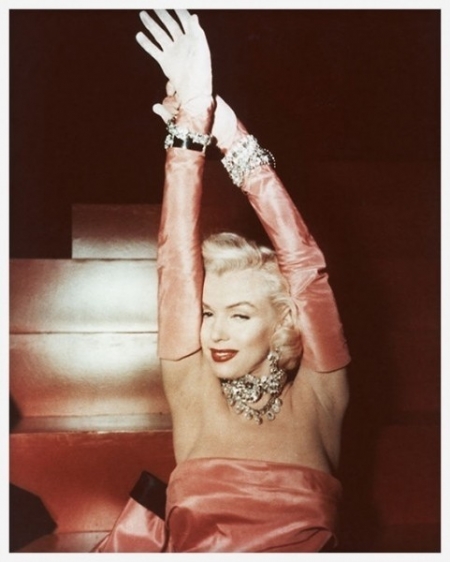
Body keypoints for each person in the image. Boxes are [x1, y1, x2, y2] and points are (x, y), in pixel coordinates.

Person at [94, 9, 350, 553]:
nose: (215, 332)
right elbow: (175, 262)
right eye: (209, 313)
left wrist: (232, 137)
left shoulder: (323, 392)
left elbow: (304, 265)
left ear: (284, 321)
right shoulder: (192, 389)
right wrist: (189, 131)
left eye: (240, 314)